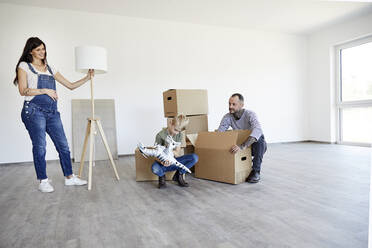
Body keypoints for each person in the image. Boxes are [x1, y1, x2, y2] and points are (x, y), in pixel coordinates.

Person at [14, 37, 94, 193]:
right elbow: (23, 90)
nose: (42, 52)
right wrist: (44, 90)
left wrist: (87, 77)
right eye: (38, 49)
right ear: (30, 51)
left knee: (63, 145)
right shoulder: (24, 66)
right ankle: (43, 180)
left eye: (43, 48)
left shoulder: (50, 68)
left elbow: (70, 86)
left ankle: (70, 178)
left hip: (52, 112)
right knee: (40, 146)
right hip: (33, 111)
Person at [218, 93, 267, 183]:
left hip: (252, 146)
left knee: (260, 139)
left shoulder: (250, 114)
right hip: (238, 145)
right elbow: (220, 133)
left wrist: (242, 146)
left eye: (233, 104)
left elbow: (258, 130)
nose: (230, 106)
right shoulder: (227, 117)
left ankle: (256, 171)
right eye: (229, 104)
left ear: (241, 105)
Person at [151, 114, 198, 188]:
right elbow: (155, 155)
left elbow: (177, 154)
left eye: (179, 131)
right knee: (154, 168)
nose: (176, 133)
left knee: (194, 157)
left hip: (174, 161)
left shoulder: (179, 135)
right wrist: (162, 161)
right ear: (170, 123)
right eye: (175, 130)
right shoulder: (160, 135)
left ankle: (179, 175)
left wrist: (169, 149)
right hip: (162, 163)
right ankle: (162, 176)